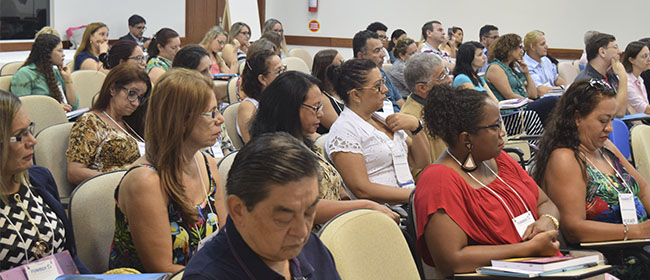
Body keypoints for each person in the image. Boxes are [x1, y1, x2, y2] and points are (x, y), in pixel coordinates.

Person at [416, 85, 561, 276]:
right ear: (467, 138)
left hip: (549, 267)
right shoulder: (439, 181)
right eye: (494, 127)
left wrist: (548, 221)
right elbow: (452, 261)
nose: (502, 133)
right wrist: (529, 249)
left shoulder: (501, 160)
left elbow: (545, 202)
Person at [109, 68, 227, 273]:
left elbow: (226, 239)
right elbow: (161, 268)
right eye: (211, 113)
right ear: (181, 120)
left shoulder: (207, 164)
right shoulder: (146, 181)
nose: (221, 120)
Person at [532, 79, 650, 279]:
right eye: (603, 121)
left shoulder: (605, 149)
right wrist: (638, 231)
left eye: (612, 120)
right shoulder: (565, 158)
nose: (610, 128)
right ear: (577, 118)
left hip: (640, 246)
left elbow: (644, 189)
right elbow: (573, 228)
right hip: (614, 259)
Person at [182, 132, 341, 279]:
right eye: (284, 218)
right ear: (238, 211)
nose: (302, 231)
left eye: (309, 212)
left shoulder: (311, 247)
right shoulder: (208, 276)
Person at [250, 71, 399, 224]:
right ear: (290, 109)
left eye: (320, 106)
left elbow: (334, 186)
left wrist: (345, 201)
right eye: (315, 107)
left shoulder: (303, 143)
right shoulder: (273, 153)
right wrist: (363, 205)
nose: (321, 114)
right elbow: (303, 207)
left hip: (335, 224)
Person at [0, 90, 89, 273]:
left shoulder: (39, 179)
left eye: (29, 130)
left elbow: (70, 256)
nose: (32, 141)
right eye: (20, 136)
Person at [326, 58, 431, 205]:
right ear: (355, 95)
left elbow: (421, 161)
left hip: (409, 201)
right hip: (384, 213)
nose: (385, 89)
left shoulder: (382, 119)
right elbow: (362, 189)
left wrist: (416, 127)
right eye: (378, 86)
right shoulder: (344, 130)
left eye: (383, 81)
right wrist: (417, 194)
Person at [66, 64, 150, 186]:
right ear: (112, 89)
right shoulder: (90, 122)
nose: (136, 103)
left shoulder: (130, 122)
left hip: (139, 185)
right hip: (110, 190)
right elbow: (74, 172)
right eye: (131, 94)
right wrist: (121, 178)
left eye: (140, 98)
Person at [454, 41, 544, 140]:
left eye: (483, 53)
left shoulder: (478, 78)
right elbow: (476, 106)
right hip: (481, 123)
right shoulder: (462, 78)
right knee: (530, 116)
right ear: (469, 59)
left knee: (530, 116)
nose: (484, 57)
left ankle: (535, 150)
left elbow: (495, 101)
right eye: (480, 55)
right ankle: (535, 151)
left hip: (493, 118)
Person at [172, 44, 236, 157]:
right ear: (187, 75)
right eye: (204, 71)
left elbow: (226, 144)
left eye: (210, 69)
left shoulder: (210, 99)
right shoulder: (178, 112)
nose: (211, 77)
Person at [486, 33, 558, 124]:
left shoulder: (512, 69)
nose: (522, 51)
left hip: (523, 107)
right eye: (519, 47)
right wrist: (530, 102)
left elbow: (533, 94)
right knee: (552, 101)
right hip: (511, 112)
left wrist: (527, 73)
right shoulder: (495, 68)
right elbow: (510, 95)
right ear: (509, 49)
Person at [401, 52, 451, 181]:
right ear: (422, 87)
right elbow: (420, 175)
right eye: (441, 77)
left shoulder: (440, 101)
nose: (449, 80)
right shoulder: (409, 121)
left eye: (446, 72)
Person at [10, 34, 78, 112]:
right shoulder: (24, 74)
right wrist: (54, 108)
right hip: (41, 121)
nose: (63, 54)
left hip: (61, 119)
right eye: (59, 51)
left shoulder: (56, 72)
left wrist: (67, 80)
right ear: (47, 53)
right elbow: (22, 108)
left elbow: (73, 106)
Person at [575, 33, 628, 118]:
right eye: (615, 47)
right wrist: (623, 77)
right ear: (602, 52)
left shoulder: (610, 76)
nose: (620, 52)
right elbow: (617, 113)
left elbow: (625, 108)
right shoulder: (588, 81)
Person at [237, 50, 284, 143]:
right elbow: (255, 145)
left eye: (284, 69)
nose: (284, 75)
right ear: (262, 79)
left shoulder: (278, 99)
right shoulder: (248, 107)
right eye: (279, 71)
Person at [353, 30, 402, 112]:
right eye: (377, 51)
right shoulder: (355, 80)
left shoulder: (381, 72)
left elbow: (399, 101)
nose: (383, 55)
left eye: (382, 49)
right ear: (361, 56)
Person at [523, 30, 567, 97]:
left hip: (554, 96)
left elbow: (556, 79)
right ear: (532, 47)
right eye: (542, 44)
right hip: (540, 100)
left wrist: (569, 88)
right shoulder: (525, 65)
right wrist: (563, 88)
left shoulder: (546, 60)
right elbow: (540, 91)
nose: (546, 46)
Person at [312, 49, 345, 134]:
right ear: (326, 71)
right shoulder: (321, 97)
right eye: (339, 65)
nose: (344, 68)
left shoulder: (340, 90)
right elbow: (340, 129)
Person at [622, 41, 650, 114]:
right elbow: (645, 109)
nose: (649, 59)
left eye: (649, 55)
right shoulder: (627, 81)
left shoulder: (640, 79)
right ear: (631, 60)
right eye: (645, 56)